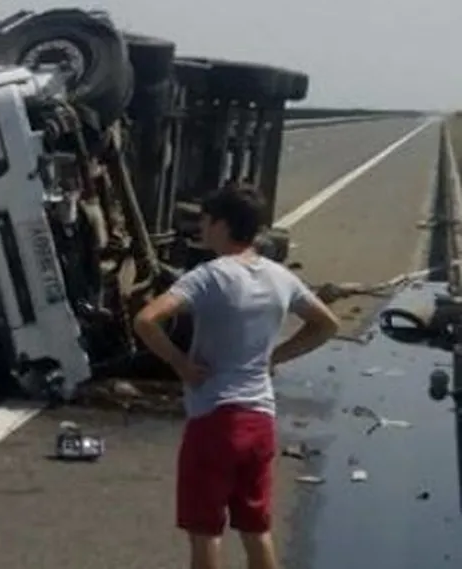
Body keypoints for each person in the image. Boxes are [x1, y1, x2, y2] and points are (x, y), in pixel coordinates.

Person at [132, 183, 339, 569]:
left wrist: (180, 364)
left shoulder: (209, 276)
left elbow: (146, 320)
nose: (202, 229)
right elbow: (327, 324)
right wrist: (277, 354)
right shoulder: (281, 277)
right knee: (256, 529)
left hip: (214, 420)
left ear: (223, 225)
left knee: (206, 532)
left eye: (206, 221)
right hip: (260, 421)